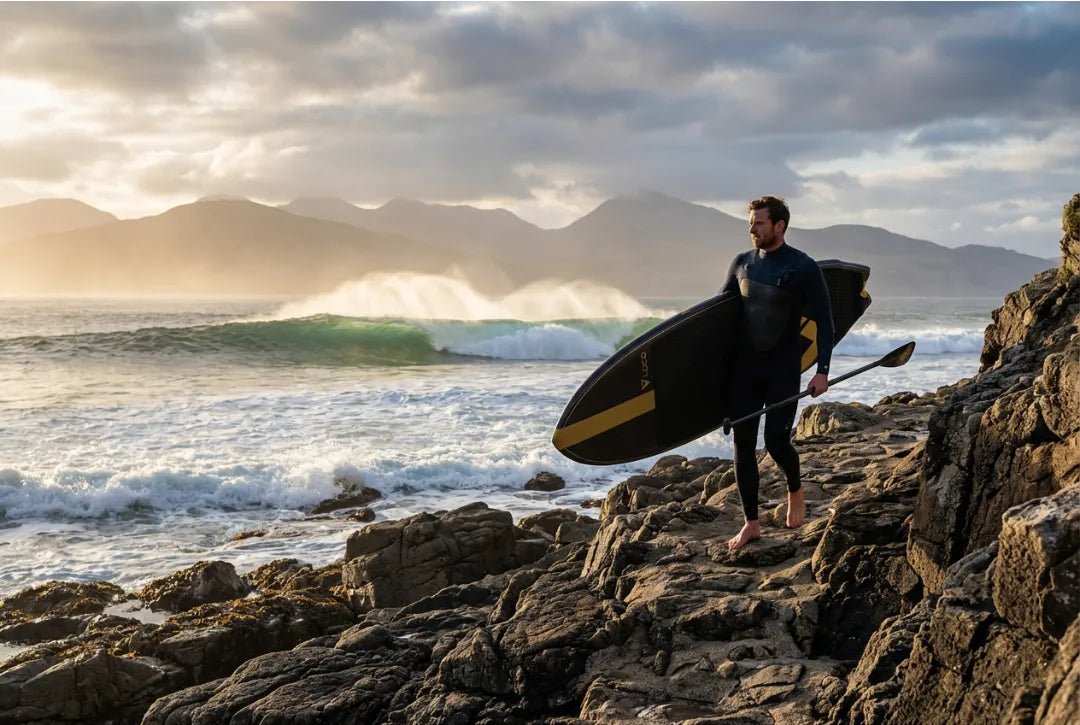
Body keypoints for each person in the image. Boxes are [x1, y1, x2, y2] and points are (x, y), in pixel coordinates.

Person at [720, 196, 834, 551]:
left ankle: (795, 489)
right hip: (745, 368)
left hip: (782, 368)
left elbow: (825, 323)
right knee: (742, 444)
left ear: (779, 226)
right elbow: (719, 319)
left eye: (759, 223)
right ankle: (751, 523)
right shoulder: (742, 263)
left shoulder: (802, 267)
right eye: (750, 223)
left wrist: (822, 372)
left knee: (776, 441)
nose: (752, 229)